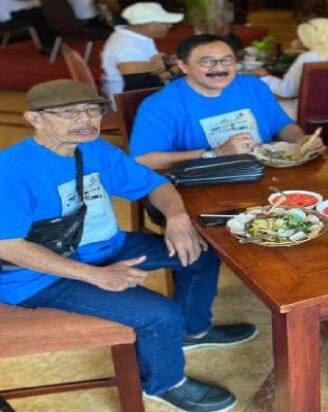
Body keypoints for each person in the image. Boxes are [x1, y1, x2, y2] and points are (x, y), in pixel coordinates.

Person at [0, 79, 258, 412]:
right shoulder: (11, 171)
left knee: (200, 254)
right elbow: (8, 246)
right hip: (39, 275)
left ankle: (191, 331)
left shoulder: (94, 149)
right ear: (35, 119)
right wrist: (97, 276)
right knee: (160, 314)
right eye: (69, 112)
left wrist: (177, 218)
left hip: (107, 246)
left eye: (92, 110)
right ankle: (165, 383)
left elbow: (154, 184)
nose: (86, 120)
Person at [129, 34, 323, 170]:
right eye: (207, 61)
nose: (219, 68)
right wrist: (216, 154)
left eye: (227, 60)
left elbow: (282, 125)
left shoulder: (252, 86)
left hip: (262, 173)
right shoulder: (160, 105)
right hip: (201, 181)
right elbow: (143, 159)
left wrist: (300, 141)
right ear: (183, 66)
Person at [251, 18, 328, 120]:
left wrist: (265, 77)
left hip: (312, 115)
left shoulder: (310, 57)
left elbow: (286, 91)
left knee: (257, 106)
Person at [101, 2, 183, 101]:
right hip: (128, 100)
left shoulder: (134, 34)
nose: (170, 25)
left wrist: (166, 61)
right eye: (165, 23)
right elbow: (138, 86)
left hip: (133, 87)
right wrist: (172, 72)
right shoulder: (130, 49)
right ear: (148, 26)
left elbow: (144, 63)